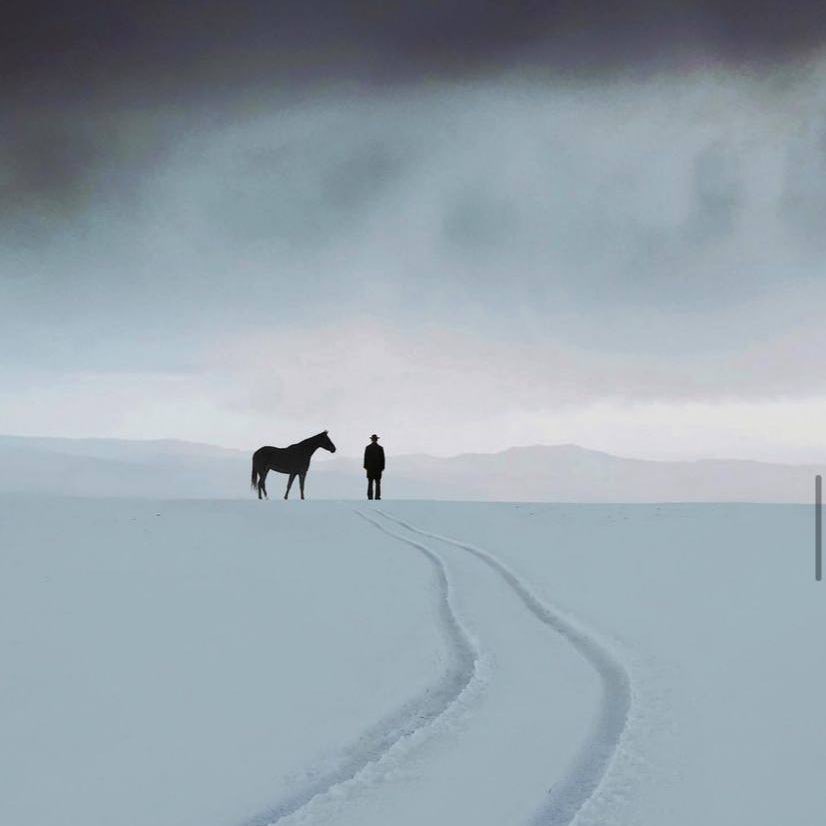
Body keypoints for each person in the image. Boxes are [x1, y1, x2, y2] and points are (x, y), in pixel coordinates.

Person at [363, 434, 385, 500]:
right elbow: (383, 459)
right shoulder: (380, 448)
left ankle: (370, 497)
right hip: (378, 469)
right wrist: (382, 468)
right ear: (376, 439)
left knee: (370, 483)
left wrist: (366, 467)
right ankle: (377, 497)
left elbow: (365, 459)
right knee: (377, 483)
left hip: (370, 469)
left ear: (371, 439)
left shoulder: (368, 448)